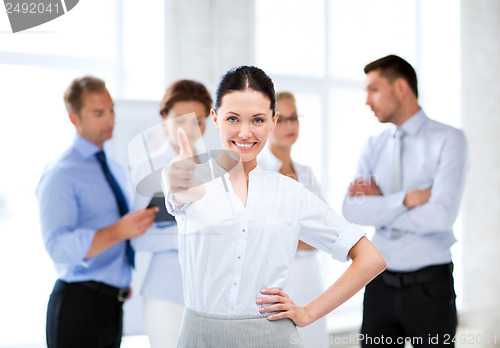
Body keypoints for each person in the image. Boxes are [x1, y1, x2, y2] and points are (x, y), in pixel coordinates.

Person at [163, 65, 386, 347]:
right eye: (233, 118)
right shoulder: (189, 178)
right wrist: (181, 174)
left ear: (272, 121)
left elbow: (371, 259)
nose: (245, 132)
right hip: (200, 338)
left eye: (257, 120)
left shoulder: (291, 193)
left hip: (273, 337)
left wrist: (307, 313)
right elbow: (181, 190)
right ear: (215, 118)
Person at [342, 55, 468, 347]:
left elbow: (441, 217)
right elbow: (351, 209)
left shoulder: (449, 140)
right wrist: (406, 200)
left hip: (429, 290)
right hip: (378, 285)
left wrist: (381, 205)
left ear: (400, 87)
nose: (367, 101)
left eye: (373, 89)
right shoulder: (374, 145)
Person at [37, 76, 157, 348]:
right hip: (78, 305)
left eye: (111, 109)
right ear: (74, 118)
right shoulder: (61, 173)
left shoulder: (115, 168)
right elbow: (57, 246)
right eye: (98, 113)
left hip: (112, 305)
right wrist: (118, 231)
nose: (110, 119)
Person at [130, 79, 213, 348]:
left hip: (212, 293)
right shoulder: (148, 168)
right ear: (164, 117)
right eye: (180, 120)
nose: (189, 130)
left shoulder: (214, 168)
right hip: (166, 293)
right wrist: (191, 236)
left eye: (197, 121)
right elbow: (137, 237)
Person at [258, 91, 328, 348]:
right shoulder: (258, 172)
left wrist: (292, 236)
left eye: (294, 118)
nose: (289, 125)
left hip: (311, 280)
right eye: (281, 118)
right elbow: (258, 235)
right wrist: (302, 235)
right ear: (268, 122)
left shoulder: (306, 173)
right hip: (276, 283)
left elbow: (325, 232)